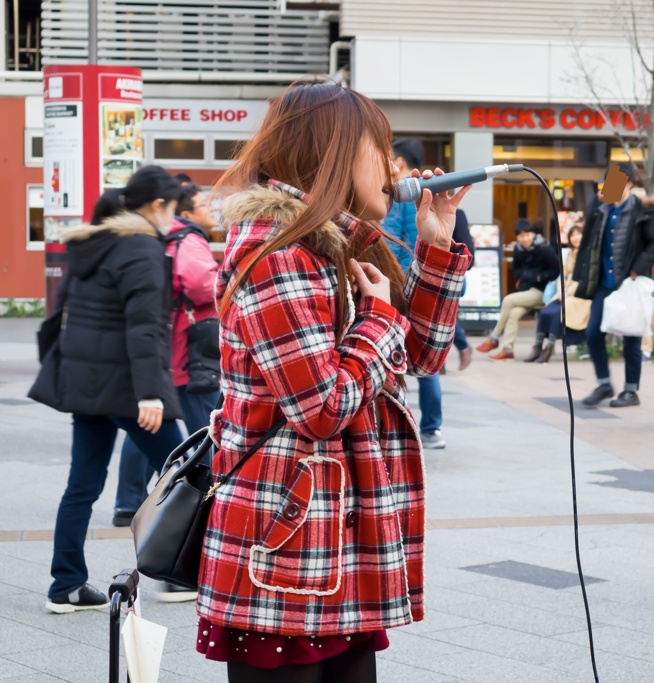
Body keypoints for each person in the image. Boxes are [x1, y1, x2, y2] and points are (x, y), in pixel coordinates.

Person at [197, 80, 471, 682]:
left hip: (334, 532)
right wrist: (375, 318)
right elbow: (321, 407)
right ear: (336, 152)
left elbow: (420, 357)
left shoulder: (336, 246)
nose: (395, 168)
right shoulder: (277, 252)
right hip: (287, 535)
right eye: (382, 148)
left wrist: (438, 248)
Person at [29, 166, 185, 613]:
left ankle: (67, 585)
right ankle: (181, 575)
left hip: (89, 384)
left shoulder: (96, 245)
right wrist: (151, 394)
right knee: (187, 476)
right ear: (158, 205)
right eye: (172, 208)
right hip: (126, 388)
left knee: (82, 484)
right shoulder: (141, 248)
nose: (173, 217)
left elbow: (65, 315)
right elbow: (144, 328)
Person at [113, 184, 223, 532]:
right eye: (205, 204)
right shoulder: (190, 239)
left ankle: (128, 502)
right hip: (190, 352)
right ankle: (205, 500)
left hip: (172, 348)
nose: (212, 210)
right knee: (208, 429)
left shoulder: (168, 237)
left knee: (148, 426)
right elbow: (200, 285)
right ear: (186, 212)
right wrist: (227, 277)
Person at [573, 162, 654, 407]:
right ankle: (605, 384)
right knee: (593, 333)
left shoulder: (641, 210)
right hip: (603, 283)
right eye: (608, 183)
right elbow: (588, 242)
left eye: (617, 183)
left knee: (631, 337)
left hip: (627, 283)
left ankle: (631, 391)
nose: (611, 188)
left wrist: (637, 268)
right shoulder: (600, 208)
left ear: (629, 184)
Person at [382, 138, 447, 448]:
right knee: (412, 355)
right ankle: (431, 427)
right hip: (398, 279)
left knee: (409, 354)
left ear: (398, 161)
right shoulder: (409, 194)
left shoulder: (404, 195)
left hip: (398, 281)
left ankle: (424, 427)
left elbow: (397, 240)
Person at [476, 219, 559, 361]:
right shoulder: (518, 250)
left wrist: (539, 277)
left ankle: (494, 337)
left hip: (541, 292)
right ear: (517, 237)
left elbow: (557, 269)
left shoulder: (544, 249)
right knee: (513, 314)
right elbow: (517, 269)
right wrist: (524, 277)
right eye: (521, 236)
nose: (525, 239)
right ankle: (507, 349)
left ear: (533, 234)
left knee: (508, 300)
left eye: (527, 235)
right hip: (525, 291)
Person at [525, 225, 588, 363]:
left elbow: (585, 279)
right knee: (546, 312)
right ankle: (537, 346)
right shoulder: (569, 254)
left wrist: (568, 292)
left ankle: (549, 348)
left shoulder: (588, 255)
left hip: (580, 296)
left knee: (557, 314)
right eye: (573, 235)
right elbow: (563, 276)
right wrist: (561, 291)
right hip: (565, 293)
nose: (576, 238)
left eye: (579, 234)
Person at [450, 208, 476, 371]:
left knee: (443, 318)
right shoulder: (411, 208)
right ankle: (463, 347)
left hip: (449, 274)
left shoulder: (456, 213)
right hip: (422, 271)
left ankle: (463, 346)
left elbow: (468, 253)